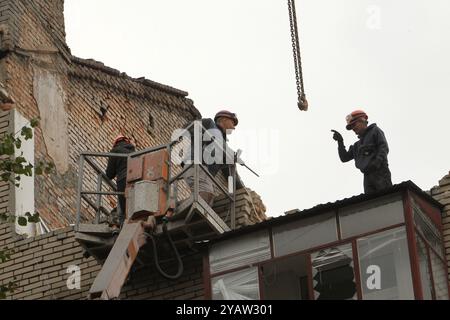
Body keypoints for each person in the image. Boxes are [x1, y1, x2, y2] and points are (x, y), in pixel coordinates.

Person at [182, 110, 244, 206]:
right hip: (196, 165)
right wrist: (207, 135)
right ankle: (173, 212)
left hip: (206, 174)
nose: (234, 127)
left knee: (207, 200)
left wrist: (243, 191)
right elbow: (186, 128)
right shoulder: (209, 123)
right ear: (223, 119)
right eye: (232, 122)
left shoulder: (224, 147)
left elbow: (231, 174)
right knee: (206, 195)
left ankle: (176, 211)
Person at [332, 110, 392, 194]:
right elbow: (344, 158)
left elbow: (383, 147)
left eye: (354, 124)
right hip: (367, 176)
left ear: (362, 120)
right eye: (351, 126)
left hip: (380, 173)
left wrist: (377, 162)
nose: (353, 128)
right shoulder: (357, 146)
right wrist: (340, 142)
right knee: (371, 203)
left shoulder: (375, 131)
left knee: (386, 197)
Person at [106, 135, 136, 226]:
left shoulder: (115, 151)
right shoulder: (134, 152)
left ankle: (123, 226)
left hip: (123, 181)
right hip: (136, 180)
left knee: (123, 209)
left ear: (115, 143)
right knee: (133, 205)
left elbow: (109, 174)